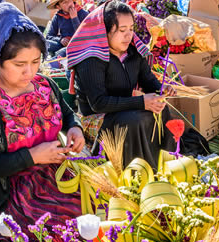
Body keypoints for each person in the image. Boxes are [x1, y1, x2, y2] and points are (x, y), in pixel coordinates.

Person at [0, 2, 85, 242]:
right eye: (19, 65)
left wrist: (75, 128)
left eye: (36, 62)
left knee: (97, 213)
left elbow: (68, 114)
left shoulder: (45, 85)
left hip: (58, 175)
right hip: (13, 190)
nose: (30, 72)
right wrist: (32, 156)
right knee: (51, 230)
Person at [67, 0, 176, 169]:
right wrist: (142, 102)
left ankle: (163, 164)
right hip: (96, 117)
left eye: (131, 29)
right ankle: (136, 171)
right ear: (104, 31)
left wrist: (161, 90)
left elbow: (148, 81)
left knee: (161, 110)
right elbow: (98, 103)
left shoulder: (133, 53)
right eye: (122, 30)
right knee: (134, 120)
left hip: (124, 108)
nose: (129, 35)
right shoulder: (91, 59)